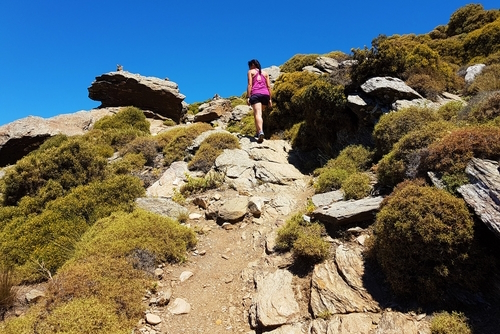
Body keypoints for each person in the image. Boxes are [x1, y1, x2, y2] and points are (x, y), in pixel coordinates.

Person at [247, 59, 272, 143]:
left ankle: (260, 131)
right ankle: (258, 132)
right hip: (265, 95)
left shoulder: (251, 72)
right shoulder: (265, 73)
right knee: (258, 114)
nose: (249, 67)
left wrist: (248, 97)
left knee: (257, 113)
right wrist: (270, 99)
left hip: (256, 94)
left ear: (253, 65)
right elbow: (269, 87)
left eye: (250, 65)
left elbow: (250, 84)